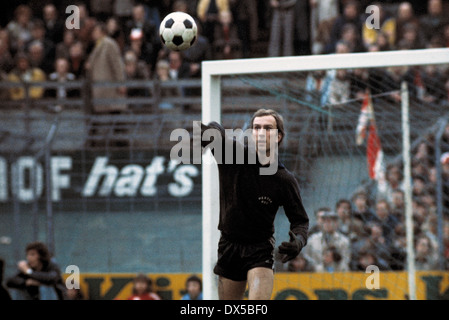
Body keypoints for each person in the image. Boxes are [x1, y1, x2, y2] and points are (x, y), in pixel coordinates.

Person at [196, 108, 309, 300]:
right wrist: (210, 132)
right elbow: (216, 130)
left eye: (267, 128)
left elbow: (300, 221)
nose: (261, 132)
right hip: (229, 246)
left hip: (260, 250)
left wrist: (298, 241)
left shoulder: (284, 179)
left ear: (278, 136)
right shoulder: (231, 156)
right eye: (256, 128)